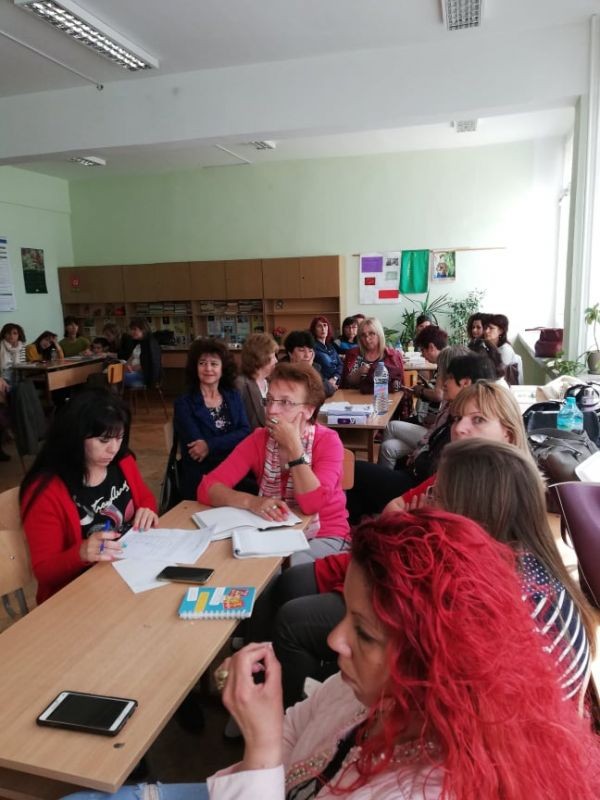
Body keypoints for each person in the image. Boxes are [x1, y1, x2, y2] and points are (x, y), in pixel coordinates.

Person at [77, 511, 600, 800]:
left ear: (437, 661)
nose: (334, 641)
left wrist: (261, 751)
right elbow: (301, 723)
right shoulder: (371, 694)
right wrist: (268, 733)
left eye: (364, 633)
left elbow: (279, 746)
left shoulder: (426, 788)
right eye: (347, 614)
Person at [273, 374, 526, 707]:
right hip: (392, 564)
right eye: (457, 419)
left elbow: (443, 576)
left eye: (477, 420)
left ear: (508, 433)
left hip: (412, 595)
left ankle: (306, 709)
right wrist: (414, 522)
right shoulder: (449, 474)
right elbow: (391, 513)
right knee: (290, 581)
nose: (460, 429)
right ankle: (273, 681)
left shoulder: (502, 493)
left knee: (291, 619)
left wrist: (413, 522)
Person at [198, 361, 349, 561]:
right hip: (273, 533)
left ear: (309, 410)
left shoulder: (328, 442)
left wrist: (293, 447)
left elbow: (311, 505)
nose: (271, 410)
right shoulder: (258, 440)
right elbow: (207, 488)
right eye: (269, 400)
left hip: (326, 535)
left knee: (287, 569)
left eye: (285, 402)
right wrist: (252, 502)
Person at [20, 389, 158, 604]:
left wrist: (147, 510)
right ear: (76, 437)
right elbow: (45, 572)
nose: (113, 449)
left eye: (120, 438)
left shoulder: (122, 461)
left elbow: (146, 499)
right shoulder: (46, 492)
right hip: (79, 595)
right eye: (103, 440)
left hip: (128, 573)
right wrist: (81, 553)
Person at [174, 338, 251, 500]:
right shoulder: (184, 402)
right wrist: (229, 443)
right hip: (202, 473)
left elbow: (245, 431)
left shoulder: (233, 395)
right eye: (202, 363)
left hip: (235, 467)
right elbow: (197, 450)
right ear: (195, 367)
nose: (208, 368)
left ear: (223, 368)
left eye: (214, 364)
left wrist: (210, 445)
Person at [377, 344, 469, 469]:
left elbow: (436, 437)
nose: (444, 381)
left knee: (391, 426)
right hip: (430, 439)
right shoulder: (452, 398)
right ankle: (389, 473)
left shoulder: (459, 403)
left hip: (430, 449)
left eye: (445, 374)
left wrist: (420, 450)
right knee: (387, 447)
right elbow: (438, 427)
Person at [341, 316, 404, 392]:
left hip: (385, 397)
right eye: (363, 335)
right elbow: (344, 386)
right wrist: (357, 374)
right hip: (355, 398)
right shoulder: (352, 354)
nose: (367, 339)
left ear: (379, 334)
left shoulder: (394, 356)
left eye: (371, 333)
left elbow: (401, 387)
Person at [236, 332, 279, 430]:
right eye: (273, 356)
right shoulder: (240, 385)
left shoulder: (270, 382)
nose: (276, 361)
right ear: (261, 357)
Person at [283, 330, 335, 398]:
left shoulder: (315, 367)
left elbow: (329, 389)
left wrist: (309, 369)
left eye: (310, 351)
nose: (307, 355)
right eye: (301, 350)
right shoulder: (283, 370)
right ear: (290, 353)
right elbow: (297, 392)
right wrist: (307, 371)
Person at [484, 313, 522, 383]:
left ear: (500, 331)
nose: (486, 331)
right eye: (486, 328)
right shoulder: (490, 347)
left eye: (491, 328)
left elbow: (499, 376)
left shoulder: (505, 350)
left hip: (505, 387)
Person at [124, 317, 162, 389]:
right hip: (135, 373)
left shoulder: (150, 343)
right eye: (131, 329)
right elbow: (131, 358)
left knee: (116, 378)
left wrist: (134, 368)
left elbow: (151, 365)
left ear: (143, 329)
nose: (131, 332)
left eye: (135, 329)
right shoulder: (140, 343)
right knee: (114, 376)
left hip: (144, 377)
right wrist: (127, 366)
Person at [309, 315, 342, 388]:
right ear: (314, 330)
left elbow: (340, 365)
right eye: (319, 326)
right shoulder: (312, 348)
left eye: (325, 325)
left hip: (337, 383)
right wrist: (328, 383)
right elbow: (315, 370)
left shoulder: (331, 346)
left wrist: (335, 378)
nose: (323, 329)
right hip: (323, 386)